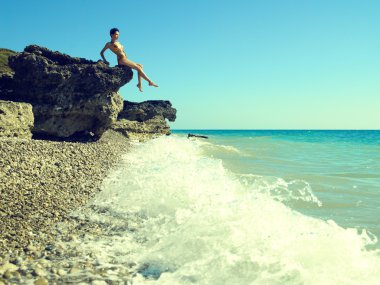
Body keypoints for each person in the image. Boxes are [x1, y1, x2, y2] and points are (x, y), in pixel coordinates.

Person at [100, 28, 158, 92]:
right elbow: (101, 52)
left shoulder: (118, 42)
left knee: (140, 66)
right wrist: (105, 60)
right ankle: (150, 81)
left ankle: (139, 84)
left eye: (118, 34)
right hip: (121, 60)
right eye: (116, 34)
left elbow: (123, 51)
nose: (118, 36)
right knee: (138, 68)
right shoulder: (109, 44)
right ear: (111, 35)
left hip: (125, 59)